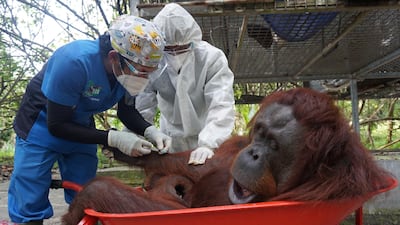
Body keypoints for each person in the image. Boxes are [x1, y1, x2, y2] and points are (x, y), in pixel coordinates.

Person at [8, 15, 171, 225]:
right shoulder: (74, 62)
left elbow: (127, 112)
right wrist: (112, 138)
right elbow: (57, 125)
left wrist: (151, 131)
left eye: (149, 73)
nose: (143, 78)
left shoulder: (127, 71)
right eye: (141, 72)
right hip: (41, 123)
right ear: (114, 57)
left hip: (80, 124)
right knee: (30, 186)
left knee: (86, 189)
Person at [135, 3, 235, 165]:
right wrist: (136, 137)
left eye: (181, 48)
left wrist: (209, 144)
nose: (175, 53)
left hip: (208, 134)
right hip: (169, 139)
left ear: (192, 40)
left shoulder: (211, 58)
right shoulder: (153, 63)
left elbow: (221, 104)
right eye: (168, 49)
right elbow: (142, 107)